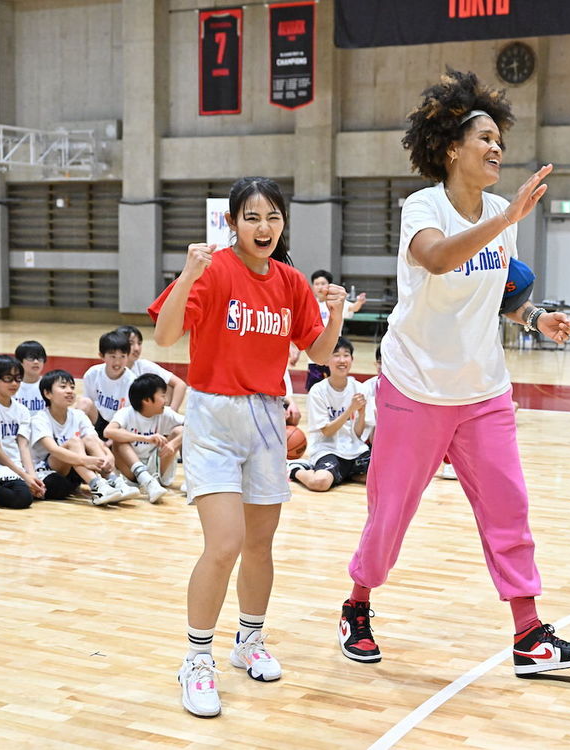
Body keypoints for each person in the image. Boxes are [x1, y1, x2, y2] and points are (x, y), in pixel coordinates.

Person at [339, 69, 570, 677]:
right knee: (389, 518)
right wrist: (507, 219)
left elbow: (498, 293)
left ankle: (530, 633)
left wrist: (535, 316)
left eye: (500, 143)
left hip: (483, 389)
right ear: (453, 149)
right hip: (413, 387)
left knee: (510, 509)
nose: (496, 150)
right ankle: (357, 604)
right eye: (484, 139)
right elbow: (437, 258)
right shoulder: (424, 207)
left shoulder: (497, 216)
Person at [150, 176, 344, 717]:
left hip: (265, 417)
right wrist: (187, 275)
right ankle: (196, 660)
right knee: (225, 543)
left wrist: (338, 311)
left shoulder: (289, 280)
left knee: (260, 543)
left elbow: (320, 351)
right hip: (213, 416)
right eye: (252, 217)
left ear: (283, 223)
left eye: (273, 217)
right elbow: (166, 337)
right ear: (232, 222)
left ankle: (249, 642)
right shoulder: (212, 271)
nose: (264, 227)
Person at [30, 369, 138, 505]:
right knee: (74, 442)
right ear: (47, 393)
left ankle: (112, 481)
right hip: (49, 471)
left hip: (76, 468)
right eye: (63, 387)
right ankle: (97, 486)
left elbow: (96, 441)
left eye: (72, 387)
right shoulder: (40, 419)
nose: (69, 391)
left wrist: (109, 455)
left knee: (89, 439)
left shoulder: (78, 415)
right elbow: (54, 450)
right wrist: (85, 460)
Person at [287, 337, 370, 491]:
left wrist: (362, 412)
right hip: (327, 448)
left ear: (352, 359)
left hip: (354, 449)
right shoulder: (318, 391)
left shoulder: (360, 388)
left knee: (379, 478)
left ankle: (347, 473)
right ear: (326, 361)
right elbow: (326, 431)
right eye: (336, 355)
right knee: (320, 483)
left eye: (346, 355)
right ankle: (295, 468)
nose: (342, 359)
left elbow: (358, 435)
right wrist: (350, 410)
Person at [0, 355, 46, 509]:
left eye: (18, 379)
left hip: (14, 466)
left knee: (53, 487)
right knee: (22, 496)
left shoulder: (22, 410)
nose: (14, 383)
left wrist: (32, 476)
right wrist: (24, 476)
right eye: (8, 379)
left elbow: (23, 445)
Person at [103, 373, 185, 503]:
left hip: (157, 467)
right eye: (162, 396)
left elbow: (193, 426)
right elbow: (108, 432)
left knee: (180, 431)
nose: (166, 400)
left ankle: (191, 480)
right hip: (131, 470)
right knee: (118, 439)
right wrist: (146, 438)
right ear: (147, 400)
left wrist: (173, 444)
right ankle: (146, 480)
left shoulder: (166, 412)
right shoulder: (126, 413)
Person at [305, 270, 366, 390]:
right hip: (314, 349)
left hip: (333, 349)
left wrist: (359, 302)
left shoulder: (336, 302)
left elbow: (353, 308)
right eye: (316, 284)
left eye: (323, 283)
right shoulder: (310, 304)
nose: (320, 287)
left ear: (329, 285)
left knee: (333, 385)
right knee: (314, 386)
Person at [115, 325, 189, 412]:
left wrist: (171, 414)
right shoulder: (105, 370)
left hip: (143, 417)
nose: (137, 348)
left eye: (139, 343)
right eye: (131, 343)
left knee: (168, 387)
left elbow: (180, 384)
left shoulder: (144, 365)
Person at [82, 331, 136, 440]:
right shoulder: (92, 374)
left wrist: (111, 441)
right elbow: (88, 405)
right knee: (84, 403)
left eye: (122, 356)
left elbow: (129, 419)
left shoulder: (132, 382)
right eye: (113, 356)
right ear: (102, 356)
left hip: (118, 427)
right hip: (97, 422)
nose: (118, 362)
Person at [14, 340, 48, 414]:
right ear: (19, 361)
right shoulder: (12, 386)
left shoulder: (49, 385)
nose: (36, 362)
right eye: (30, 358)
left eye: (40, 358)